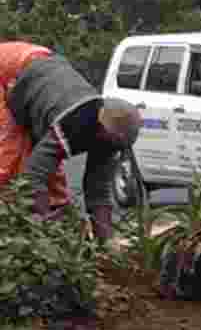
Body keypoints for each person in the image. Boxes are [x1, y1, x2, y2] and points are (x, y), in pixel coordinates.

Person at [0, 41, 142, 245]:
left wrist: (107, 245)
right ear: (103, 130)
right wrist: (44, 228)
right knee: (8, 162)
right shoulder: (75, 120)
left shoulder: (108, 137)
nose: (113, 151)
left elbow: (98, 192)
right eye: (114, 144)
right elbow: (34, 175)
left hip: (40, 68)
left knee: (53, 184)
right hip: (10, 68)